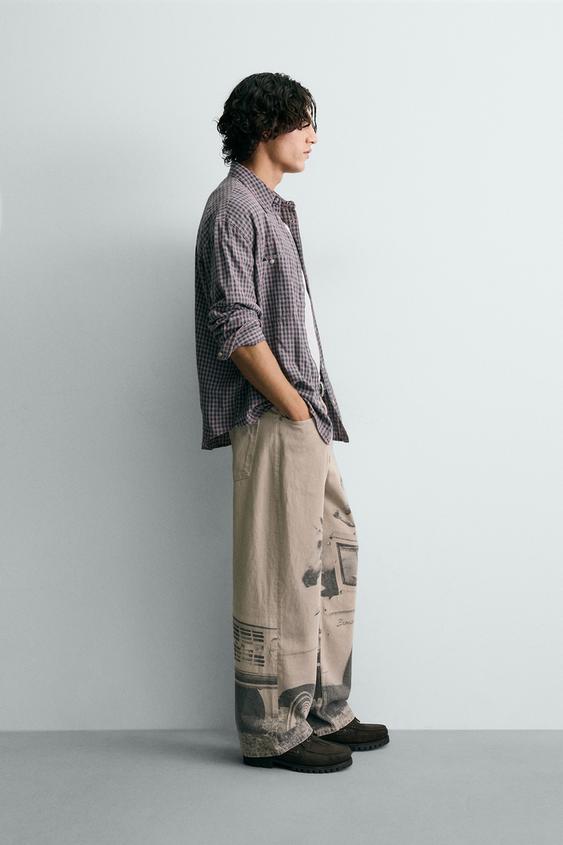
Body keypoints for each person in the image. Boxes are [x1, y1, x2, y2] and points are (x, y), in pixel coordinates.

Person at [194, 72, 389, 773]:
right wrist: (294, 405)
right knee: (280, 572)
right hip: (275, 413)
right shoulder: (233, 208)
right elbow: (236, 327)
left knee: (328, 559)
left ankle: (323, 708)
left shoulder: (269, 208)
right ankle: (272, 731)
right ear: (265, 126)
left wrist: (309, 411)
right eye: (302, 122)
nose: (313, 136)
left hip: (302, 415)